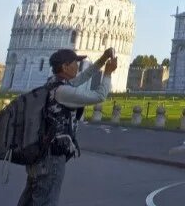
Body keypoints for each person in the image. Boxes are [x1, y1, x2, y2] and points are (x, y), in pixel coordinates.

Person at [18, 47, 117, 206]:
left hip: (40, 154)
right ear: (65, 67)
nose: (78, 66)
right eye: (75, 63)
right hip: (51, 157)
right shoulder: (63, 92)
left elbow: (84, 76)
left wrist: (102, 60)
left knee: (30, 199)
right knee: (46, 200)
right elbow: (99, 96)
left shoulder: (53, 83)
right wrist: (108, 73)